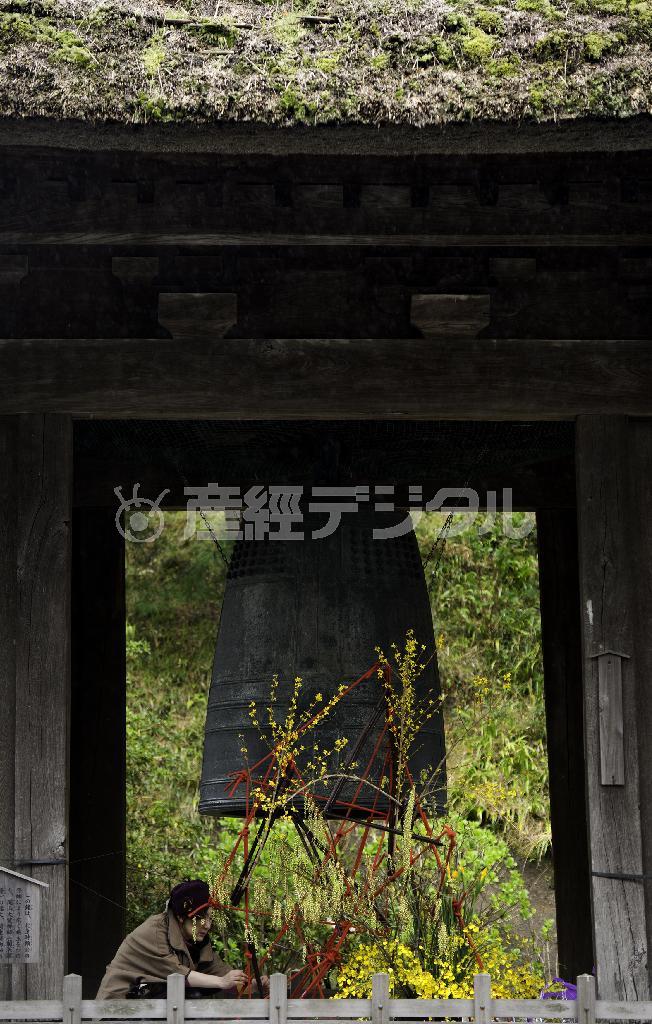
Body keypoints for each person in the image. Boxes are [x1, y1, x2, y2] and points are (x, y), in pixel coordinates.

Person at [96, 879, 268, 999]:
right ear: (180, 916)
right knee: (191, 992)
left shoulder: (197, 941)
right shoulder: (155, 931)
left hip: (151, 1006)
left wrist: (252, 985)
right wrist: (222, 981)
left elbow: (220, 975)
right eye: (201, 918)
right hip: (118, 1007)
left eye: (210, 919)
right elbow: (176, 974)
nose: (207, 925)